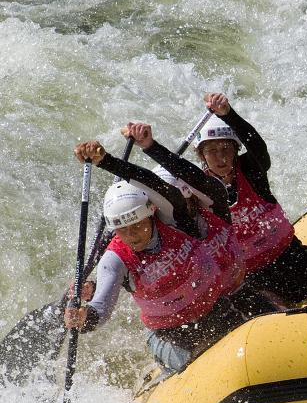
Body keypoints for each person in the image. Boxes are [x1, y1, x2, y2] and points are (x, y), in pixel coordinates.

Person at [130, 93, 307, 304]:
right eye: (212, 151)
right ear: (202, 156)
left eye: (226, 148)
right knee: (284, 321)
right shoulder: (200, 189)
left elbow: (258, 147)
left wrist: (228, 114)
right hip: (249, 278)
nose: (221, 157)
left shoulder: (251, 172)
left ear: (235, 151)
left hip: (293, 256)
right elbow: (178, 170)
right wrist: (149, 146)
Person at [64, 143, 260, 372]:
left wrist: (106, 161)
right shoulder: (114, 260)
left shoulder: (174, 220)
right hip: (169, 334)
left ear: (150, 213)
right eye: (122, 229)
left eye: (136, 225)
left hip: (215, 309)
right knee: (205, 361)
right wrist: (84, 318)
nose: (131, 235)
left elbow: (157, 186)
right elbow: (101, 307)